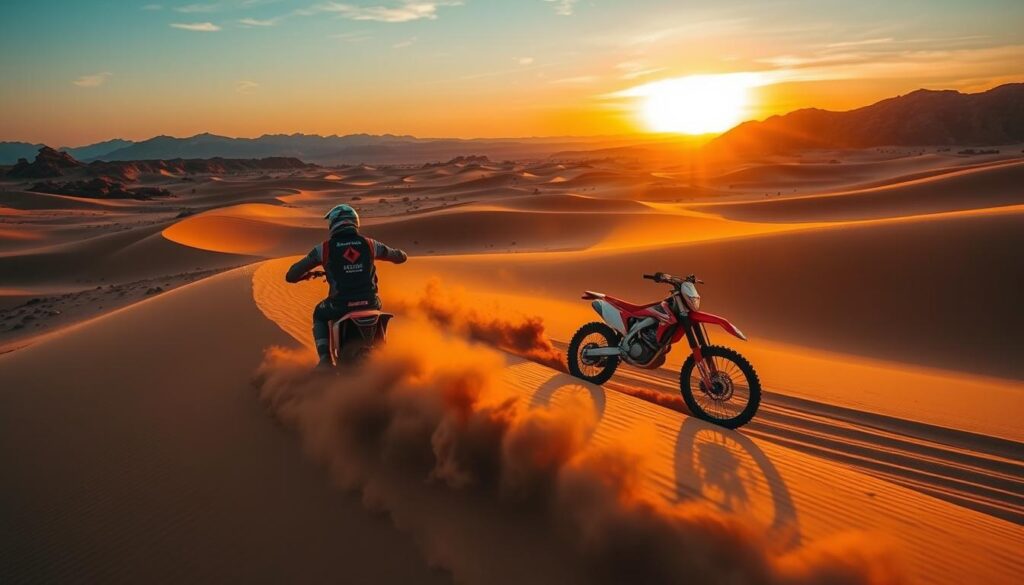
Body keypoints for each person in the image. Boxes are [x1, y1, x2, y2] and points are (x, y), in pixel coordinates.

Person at [285, 204, 407, 367]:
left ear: (334, 223)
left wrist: (305, 275)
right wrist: (400, 253)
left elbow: (291, 275)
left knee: (319, 314)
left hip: (339, 305)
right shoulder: (370, 244)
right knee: (378, 304)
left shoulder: (324, 249)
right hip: (370, 303)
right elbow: (400, 257)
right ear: (354, 222)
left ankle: (325, 361)